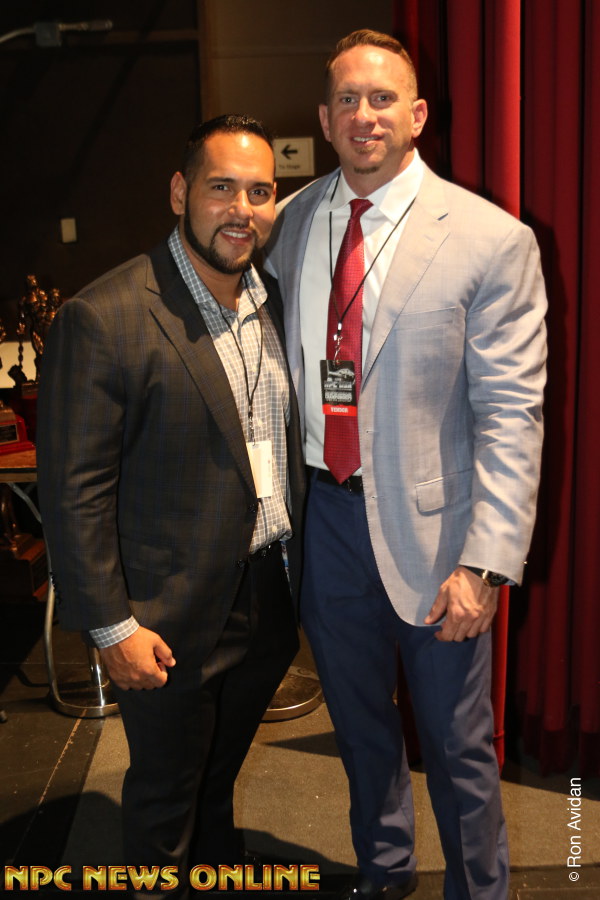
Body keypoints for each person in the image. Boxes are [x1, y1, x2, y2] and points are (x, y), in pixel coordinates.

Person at [265, 29, 547, 900]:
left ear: (417, 114)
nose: (365, 115)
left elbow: (512, 414)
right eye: (347, 99)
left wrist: (485, 563)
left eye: (382, 98)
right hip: (326, 522)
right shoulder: (290, 223)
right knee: (358, 731)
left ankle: (479, 890)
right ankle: (383, 873)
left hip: (439, 538)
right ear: (324, 118)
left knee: (459, 749)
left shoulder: (491, 239)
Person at [36, 114, 304, 899]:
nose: (241, 210)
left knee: (216, 775)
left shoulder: (276, 302)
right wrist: (110, 627)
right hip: (167, 615)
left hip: (267, 593)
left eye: (259, 192)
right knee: (163, 799)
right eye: (222, 187)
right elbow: (74, 490)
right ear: (182, 192)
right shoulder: (106, 316)